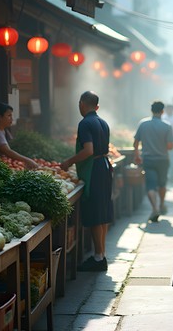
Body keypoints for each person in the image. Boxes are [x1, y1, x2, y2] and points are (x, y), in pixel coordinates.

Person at [61, 91, 113, 272]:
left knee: (95, 215)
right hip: (104, 167)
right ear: (96, 106)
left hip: (94, 171)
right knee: (103, 213)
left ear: (81, 103)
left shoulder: (84, 123)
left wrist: (69, 161)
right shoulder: (103, 122)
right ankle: (101, 254)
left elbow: (88, 150)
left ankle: (98, 258)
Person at [134, 101, 173, 222]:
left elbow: (136, 143)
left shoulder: (143, 124)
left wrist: (137, 155)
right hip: (162, 159)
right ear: (162, 111)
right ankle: (161, 204)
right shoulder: (167, 126)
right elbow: (170, 146)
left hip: (148, 159)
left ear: (151, 110)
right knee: (162, 184)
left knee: (150, 185)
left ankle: (155, 208)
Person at [0, 102, 38, 169]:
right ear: (0, 117)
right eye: (9, 116)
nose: (12, 119)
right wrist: (27, 160)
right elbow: (7, 151)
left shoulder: (4, 130)